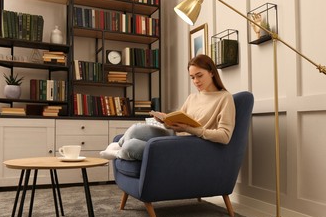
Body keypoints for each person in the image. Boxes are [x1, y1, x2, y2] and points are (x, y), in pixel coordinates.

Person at [100, 54, 236, 161]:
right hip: (174, 136)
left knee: (132, 146)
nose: (195, 81)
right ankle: (118, 146)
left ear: (212, 72)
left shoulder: (224, 98)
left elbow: (225, 136)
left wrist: (190, 129)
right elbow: (179, 124)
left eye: (199, 76)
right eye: (192, 77)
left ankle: (119, 153)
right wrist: (165, 120)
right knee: (136, 128)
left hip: (189, 146)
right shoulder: (192, 97)